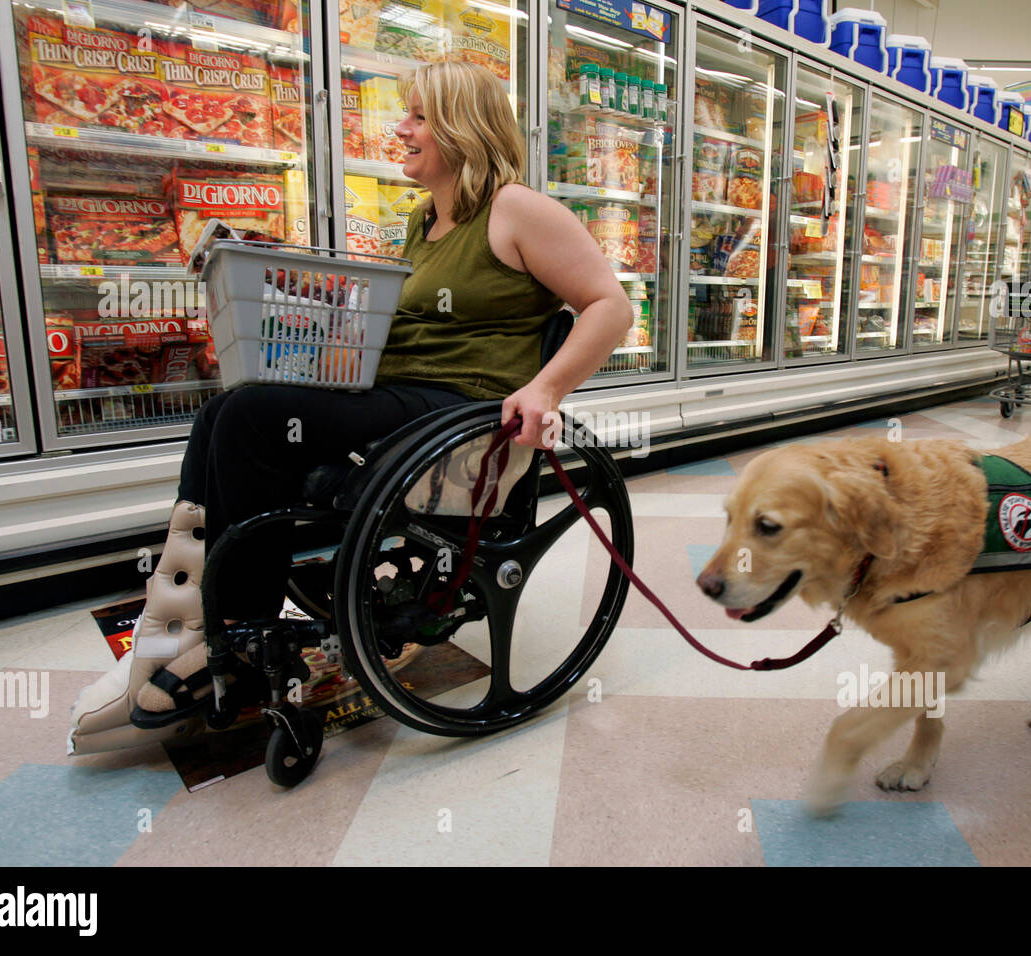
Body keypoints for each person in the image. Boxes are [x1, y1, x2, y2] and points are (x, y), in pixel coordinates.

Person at [68, 62, 634, 753]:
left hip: (454, 410)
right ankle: (191, 613)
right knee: (229, 409)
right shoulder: (424, 222)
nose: (401, 128)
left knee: (253, 420)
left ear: (463, 127)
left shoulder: (518, 210)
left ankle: (233, 638)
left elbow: (610, 306)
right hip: (393, 395)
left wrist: (545, 389)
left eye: (420, 115)